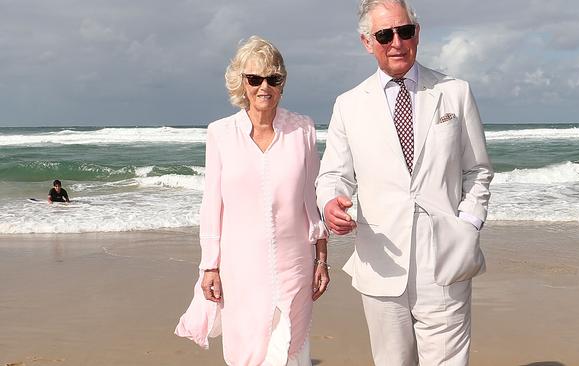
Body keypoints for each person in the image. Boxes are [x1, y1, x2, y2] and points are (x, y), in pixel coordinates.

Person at [316, 1, 494, 365]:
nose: (397, 42)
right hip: (382, 262)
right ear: (367, 42)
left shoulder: (455, 92)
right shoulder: (348, 104)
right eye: (385, 35)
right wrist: (331, 202)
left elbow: (477, 170)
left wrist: (468, 226)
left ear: (417, 33)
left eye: (405, 31)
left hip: (446, 258)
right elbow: (333, 175)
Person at [175, 36, 329, 366]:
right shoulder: (220, 133)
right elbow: (212, 205)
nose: (264, 87)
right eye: (254, 78)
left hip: (295, 265)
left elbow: (312, 200)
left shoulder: (303, 130)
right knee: (248, 352)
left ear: (282, 82)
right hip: (240, 269)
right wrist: (209, 266)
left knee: (290, 348)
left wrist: (321, 259)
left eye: (273, 78)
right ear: (241, 82)